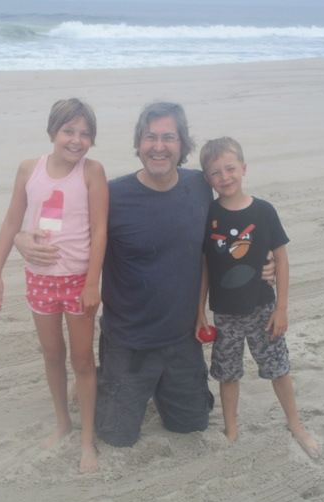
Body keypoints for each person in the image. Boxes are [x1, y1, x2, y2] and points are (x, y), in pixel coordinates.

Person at [14, 101, 274, 448]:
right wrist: (21, 237)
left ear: (182, 146)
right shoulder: (113, 194)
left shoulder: (200, 185)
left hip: (182, 339)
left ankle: (161, 387)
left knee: (191, 425)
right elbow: (68, 224)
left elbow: (233, 217)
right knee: (116, 436)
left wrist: (262, 260)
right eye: (150, 137)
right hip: (129, 341)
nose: (159, 146)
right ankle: (109, 376)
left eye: (169, 137)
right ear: (139, 143)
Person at [0, 98, 108, 473]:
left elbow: (101, 231)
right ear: (53, 132)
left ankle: (87, 439)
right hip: (39, 280)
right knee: (52, 355)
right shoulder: (29, 169)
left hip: (77, 282)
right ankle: (63, 422)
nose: (76, 140)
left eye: (84, 133)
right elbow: (11, 221)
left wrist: (92, 284)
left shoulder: (92, 172)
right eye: (68, 131)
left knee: (84, 361)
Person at [195, 136, 321, 459]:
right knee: (227, 373)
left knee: (278, 367)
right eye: (215, 172)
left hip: (263, 307)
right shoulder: (208, 215)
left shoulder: (264, 211)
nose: (224, 177)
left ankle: (294, 423)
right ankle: (231, 429)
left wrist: (281, 308)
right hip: (224, 313)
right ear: (206, 178)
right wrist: (200, 312)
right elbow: (206, 267)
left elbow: (281, 259)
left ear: (244, 168)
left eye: (230, 168)